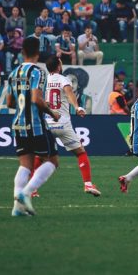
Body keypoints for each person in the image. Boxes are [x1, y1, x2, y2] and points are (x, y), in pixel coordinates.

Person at [6, 37, 60, 217]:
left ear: (22, 52)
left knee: (25, 165)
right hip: (36, 125)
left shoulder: (13, 73)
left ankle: (17, 208)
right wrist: (52, 113)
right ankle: (25, 193)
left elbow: (10, 102)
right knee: (52, 161)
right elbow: (37, 99)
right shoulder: (38, 72)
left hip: (18, 124)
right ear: (38, 52)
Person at [42, 56, 101, 196]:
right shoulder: (63, 79)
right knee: (80, 152)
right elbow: (69, 94)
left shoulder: (44, 81)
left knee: (41, 156)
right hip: (62, 123)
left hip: (47, 123)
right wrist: (77, 107)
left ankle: (32, 190)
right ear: (58, 66)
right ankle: (87, 184)